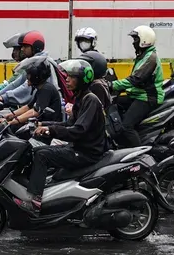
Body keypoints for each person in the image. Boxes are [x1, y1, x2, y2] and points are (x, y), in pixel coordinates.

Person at [26, 58, 111, 210]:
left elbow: (78, 130)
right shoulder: (82, 98)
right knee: (35, 151)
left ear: (81, 80)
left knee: (42, 155)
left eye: (71, 77)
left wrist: (50, 130)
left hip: (86, 153)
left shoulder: (90, 100)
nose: (67, 79)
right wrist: (44, 125)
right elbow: (68, 125)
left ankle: (35, 200)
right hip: (79, 148)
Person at [111, 25, 164, 147]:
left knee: (126, 126)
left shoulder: (150, 58)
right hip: (139, 94)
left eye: (135, 39)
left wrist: (112, 85)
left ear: (144, 40)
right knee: (115, 102)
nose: (133, 42)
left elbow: (135, 79)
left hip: (148, 97)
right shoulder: (143, 55)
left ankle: (138, 154)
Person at [0, 31, 63, 111]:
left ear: (35, 47)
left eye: (25, 46)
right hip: (38, 106)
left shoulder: (41, 64)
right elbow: (16, 84)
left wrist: (4, 97)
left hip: (47, 110)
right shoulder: (33, 63)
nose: (22, 49)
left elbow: (26, 88)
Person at [2, 57, 63, 127]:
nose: (27, 82)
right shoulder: (40, 88)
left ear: (36, 77)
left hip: (49, 127)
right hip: (41, 124)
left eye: (29, 79)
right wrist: (9, 116)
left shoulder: (46, 89)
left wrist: (15, 121)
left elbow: (36, 112)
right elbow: (28, 107)